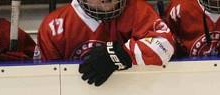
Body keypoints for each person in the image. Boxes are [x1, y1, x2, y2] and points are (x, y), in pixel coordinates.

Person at [35, 0, 176, 87]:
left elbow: (165, 46)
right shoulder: (54, 26)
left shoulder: (137, 10)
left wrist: (122, 54)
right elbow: (46, 83)